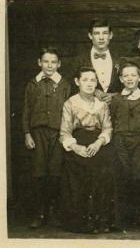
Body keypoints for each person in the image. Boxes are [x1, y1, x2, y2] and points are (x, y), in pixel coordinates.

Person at [59, 66, 115, 233]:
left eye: (93, 80)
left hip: (97, 144)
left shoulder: (102, 105)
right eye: (85, 80)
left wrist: (98, 143)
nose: (90, 84)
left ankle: (101, 218)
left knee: (106, 171)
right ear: (77, 82)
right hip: (78, 144)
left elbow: (108, 128)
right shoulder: (70, 103)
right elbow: (64, 132)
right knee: (79, 172)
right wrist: (76, 147)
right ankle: (82, 220)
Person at [22, 46, 71, 228]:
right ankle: (39, 212)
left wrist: (65, 135)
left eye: (53, 62)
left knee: (55, 172)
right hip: (38, 134)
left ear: (59, 64)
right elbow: (26, 110)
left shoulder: (65, 85)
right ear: (39, 63)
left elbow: (69, 111)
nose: (49, 65)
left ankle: (53, 211)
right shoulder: (32, 84)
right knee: (39, 172)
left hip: (57, 134)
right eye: (45, 62)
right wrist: (27, 133)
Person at [110, 62, 140, 233]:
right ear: (121, 79)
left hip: (139, 141)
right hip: (120, 141)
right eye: (125, 75)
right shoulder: (116, 99)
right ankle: (120, 217)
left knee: (137, 175)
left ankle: (137, 213)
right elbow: (112, 120)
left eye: (133, 75)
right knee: (122, 174)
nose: (129, 78)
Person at [74, 18, 122, 104]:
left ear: (110, 35)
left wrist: (115, 96)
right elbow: (72, 86)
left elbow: (127, 86)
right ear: (90, 36)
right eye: (96, 33)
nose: (101, 38)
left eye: (105, 33)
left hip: (115, 111)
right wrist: (92, 91)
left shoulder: (119, 59)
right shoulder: (80, 60)